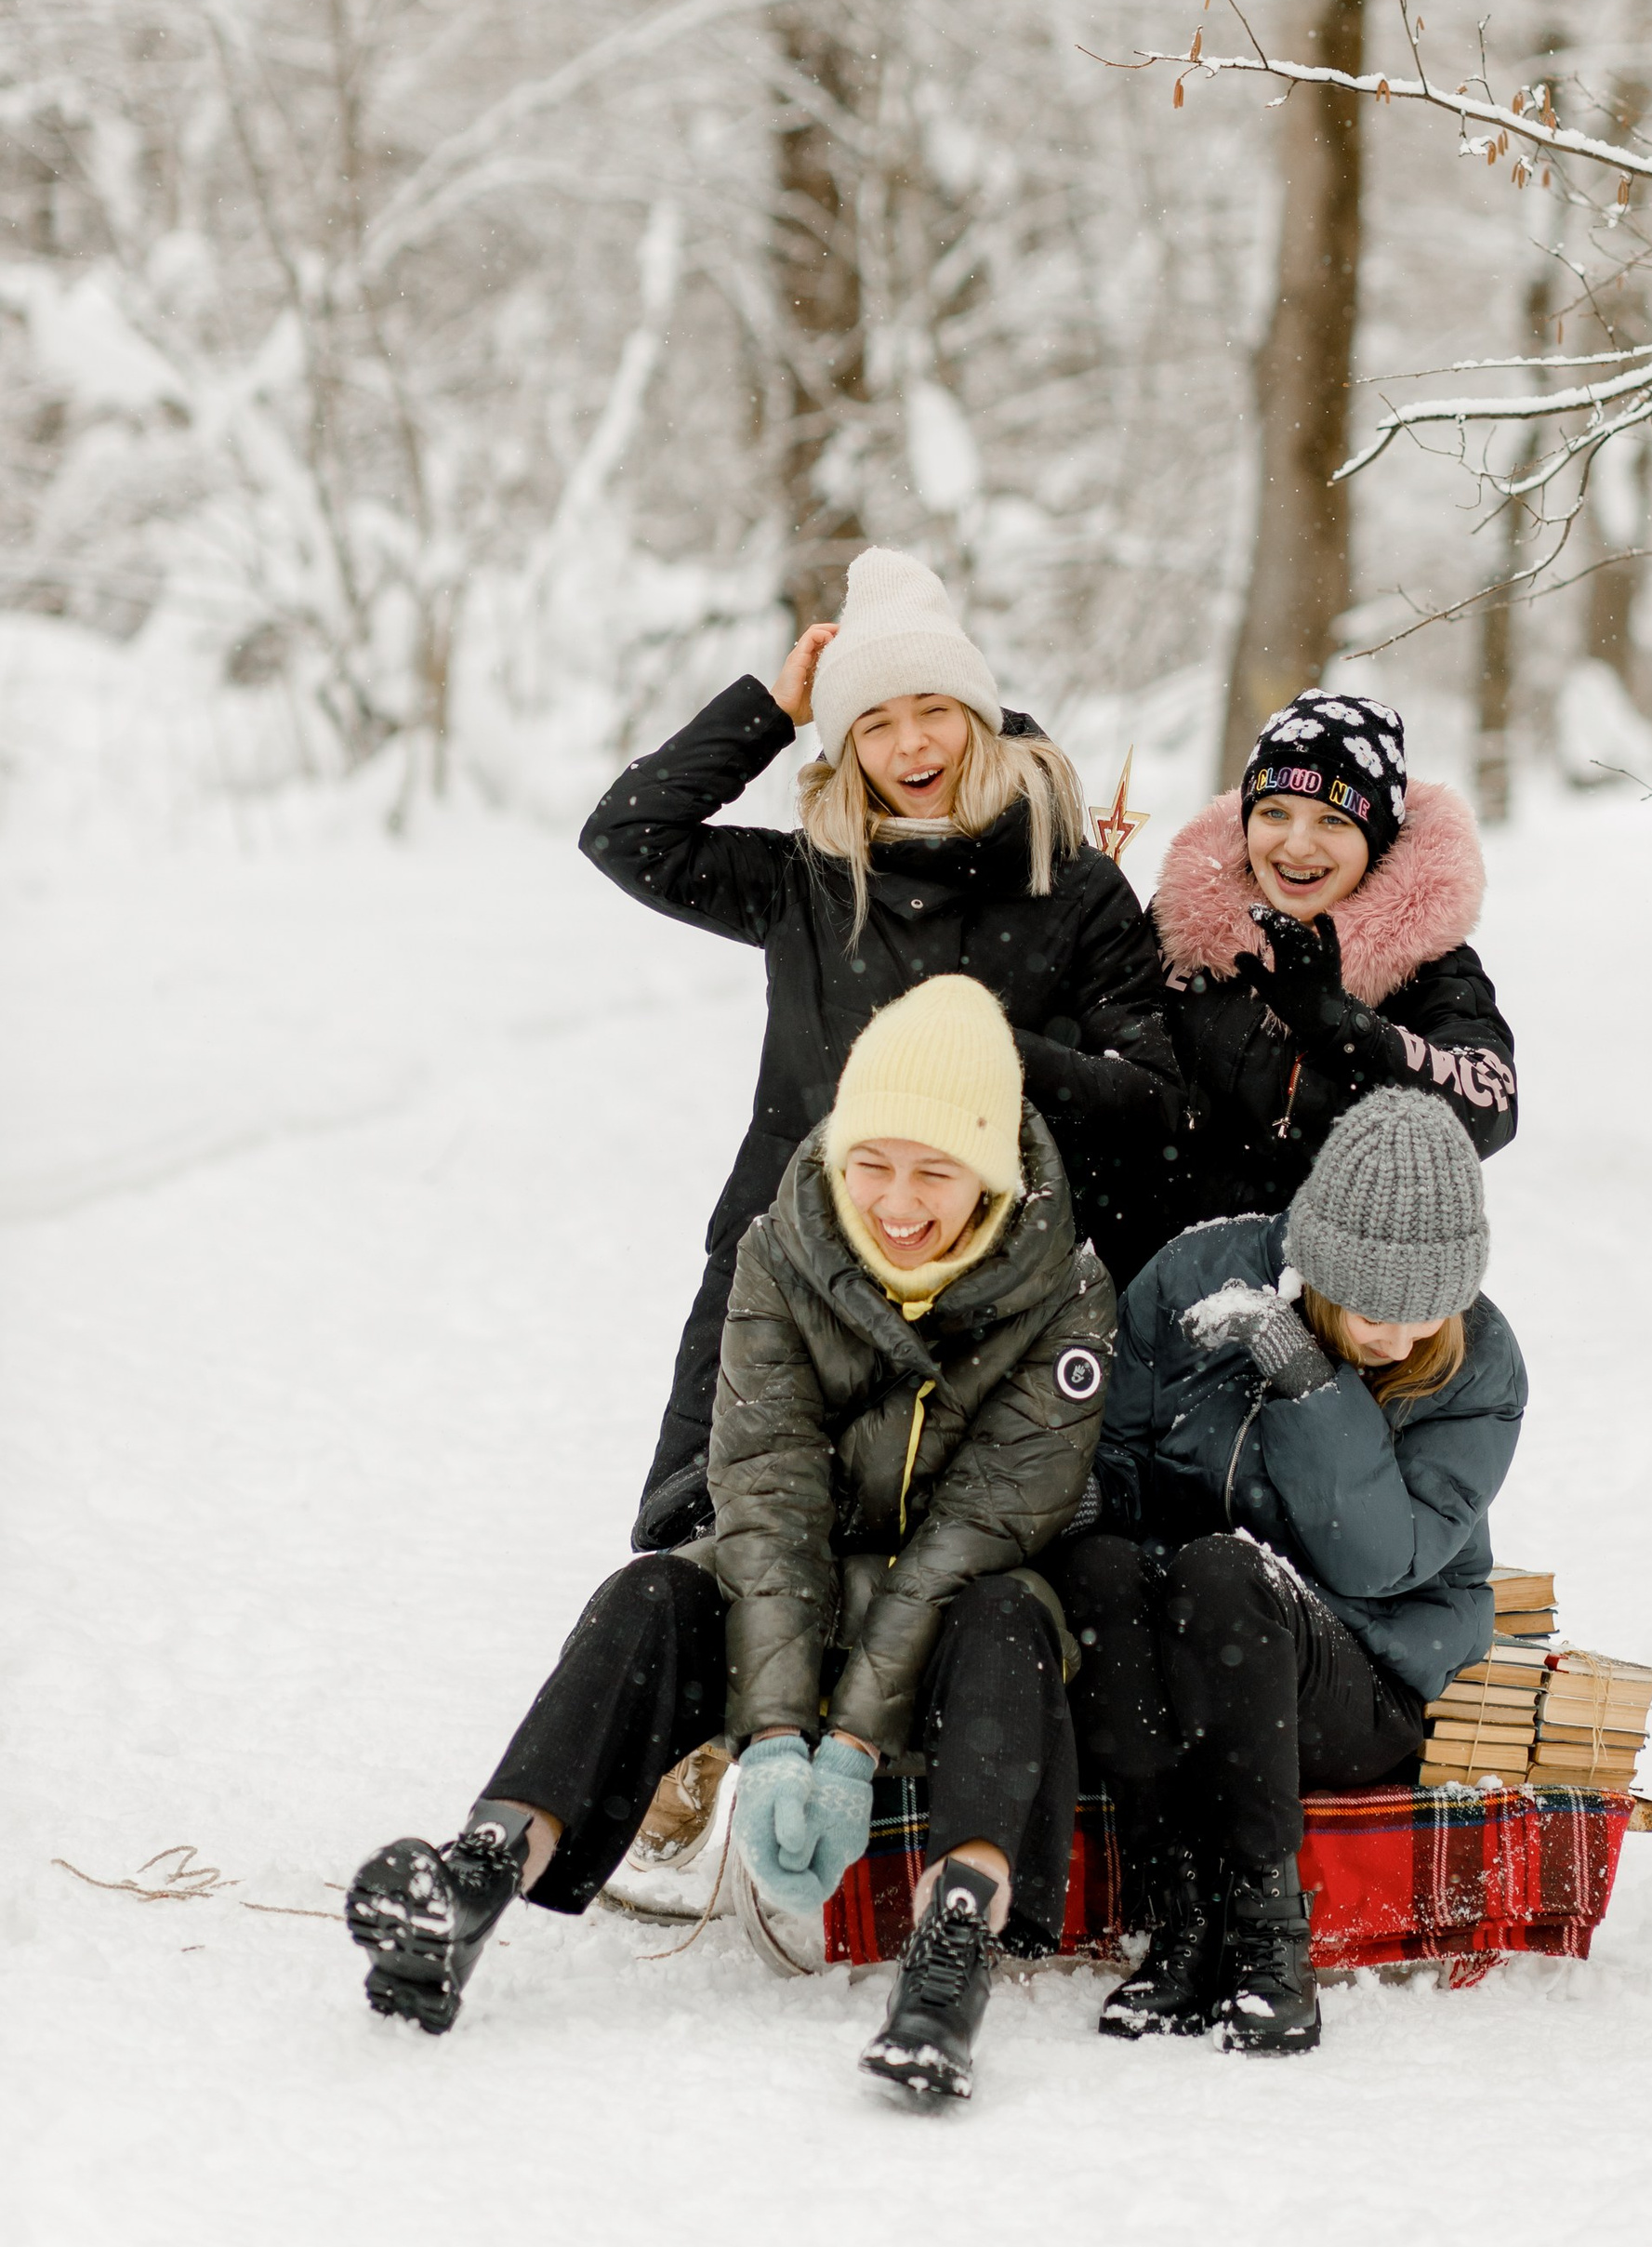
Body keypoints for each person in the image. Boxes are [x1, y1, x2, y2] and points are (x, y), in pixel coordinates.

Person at [345, 978, 1114, 2101]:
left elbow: (976, 1533)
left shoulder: (1067, 1295)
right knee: (648, 1594)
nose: (897, 1201)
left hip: (955, 1604)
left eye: (934, 1172)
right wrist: (771, 1732)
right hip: (790, 1587)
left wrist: (845, 1748)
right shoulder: (782, 1251)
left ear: (990, 1173)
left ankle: (951, 1950)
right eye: (874, 1161)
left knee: (1007, 1620)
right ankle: (478, 1874)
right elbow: (765, 1495)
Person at [581, 547, 1177, 1553]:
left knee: (941, 1573)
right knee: (721, 1557)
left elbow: (1154, 1100)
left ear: (976, 714)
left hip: (987, 1288)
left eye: (931, 708)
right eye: (872, 720)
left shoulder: (1067, 885)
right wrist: (769, 708)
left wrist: (993, 1051)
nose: (909, 743)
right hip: (786, 1269)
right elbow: (629, 833)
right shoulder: (807, 878)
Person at [1063, 1087, 1524, 2055]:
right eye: (1372, 1309)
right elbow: (1117, 1465)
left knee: (1227, 1576)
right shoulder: (1191, 1273)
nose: (1397, 1338)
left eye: (1423, 1311)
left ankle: (1271, 1939)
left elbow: (1376, 1558)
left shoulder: (1479, 1368)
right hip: (1191, 1654)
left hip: (1352, 1680)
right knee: (1100, 1572)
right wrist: (1082, 1501)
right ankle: (1180, 1919)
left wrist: (1308, 1378)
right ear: (1316, 1261)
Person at [1152, 689, 1516, 1223]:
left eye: (1332, 821)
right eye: (1275, 812)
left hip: (1327, 1291)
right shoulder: (1182, 929)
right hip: (1153, 1276)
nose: (1297, 846)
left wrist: (1343, 1028)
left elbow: (1489, 1107)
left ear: (1378, 842)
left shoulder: (1428, 963)